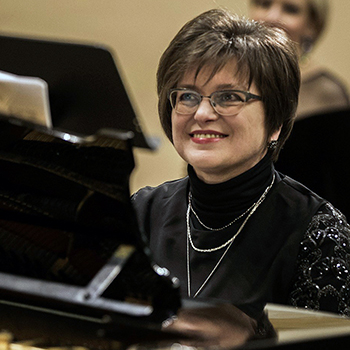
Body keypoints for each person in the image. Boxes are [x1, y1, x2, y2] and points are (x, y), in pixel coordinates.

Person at [132, 8, 350, 323]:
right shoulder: (142, 212)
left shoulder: (320, 235)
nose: (203, 113)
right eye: (188, 97)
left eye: (229, 96)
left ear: (275, 122)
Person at [249, 0, 350, 120]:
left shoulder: (327, 93)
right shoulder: (232, 75)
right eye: (265, 4)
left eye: (290, 10)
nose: (271, 17)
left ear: (312, 25)